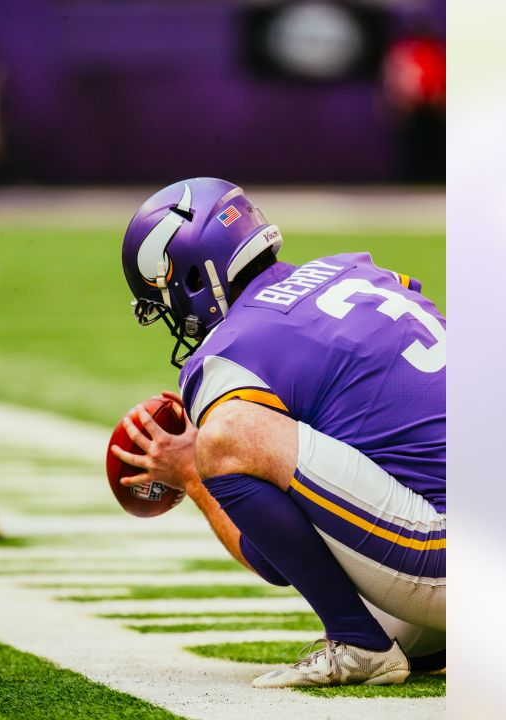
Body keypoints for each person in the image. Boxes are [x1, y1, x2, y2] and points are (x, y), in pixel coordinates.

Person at [110, 178, 446, 688]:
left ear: (194, 280)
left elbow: (274, 560)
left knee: (225, 438)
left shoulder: (229, 351)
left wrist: (192, 474)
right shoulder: (353, 270)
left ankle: (357, 642)